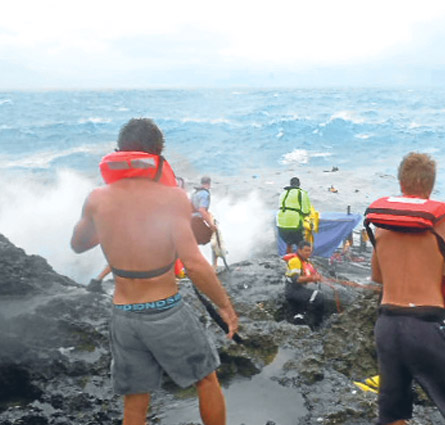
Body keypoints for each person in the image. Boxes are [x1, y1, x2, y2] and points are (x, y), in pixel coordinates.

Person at [70, 118, 238, 425]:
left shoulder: (96, 198)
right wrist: (225, 306)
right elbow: (194, 262)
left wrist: (108, 223)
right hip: (165, 312)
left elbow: (78, 245)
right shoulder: (172, 198)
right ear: (159, 154)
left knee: (135, 402)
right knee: (206, 380)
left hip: (123, 314)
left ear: (118, 152)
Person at [366, 152, 445, 425]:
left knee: (393, 412)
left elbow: (377, 276)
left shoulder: (383, 224)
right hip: (427, 326)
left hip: (388, 325)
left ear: (401, 183)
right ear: (431, 185)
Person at [284, 240, 325, 327]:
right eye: (306, 250)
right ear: (299, 250)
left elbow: (311, 274)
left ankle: (300, 316)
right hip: (293, 290)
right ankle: (311, 320)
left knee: (315, 295)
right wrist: (312, 278)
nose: (308, 253)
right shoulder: (295, 261)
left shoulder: (306, 262)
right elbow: (296, 279)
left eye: (309, 250)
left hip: (301, 289)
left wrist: (317, 277)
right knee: (318, 297)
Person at [277, 177, 313, 254]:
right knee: (301, 244)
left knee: (289, 243)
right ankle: (302, 261)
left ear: (290, 184)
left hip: (281, 223)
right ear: (299, 184)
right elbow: (306, 211)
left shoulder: (283, 193)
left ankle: (288, 260)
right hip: (294, 223)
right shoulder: (302, 193)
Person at [191, 176, 217, 248]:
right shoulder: (205, 194)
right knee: (212, 236)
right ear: (209, 184)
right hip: (196, 222)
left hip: (189, 221)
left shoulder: (195, 193)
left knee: (195, 241)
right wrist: (211, 225)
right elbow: (202, 210)